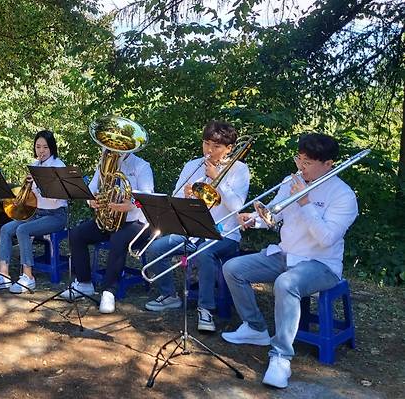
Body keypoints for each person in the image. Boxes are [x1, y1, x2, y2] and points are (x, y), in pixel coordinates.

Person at [221, 133, 358, 388]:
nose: (300, 167)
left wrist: (305, 202)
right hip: (285, 254)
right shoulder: (290, 181)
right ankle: (255, 327)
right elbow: (274, 214)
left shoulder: (344, 196)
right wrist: (255, 219)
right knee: (233, 268)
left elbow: (326, 238)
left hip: (321, 264)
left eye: (308, 163)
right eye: (299, 159)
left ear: (328, 164)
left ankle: (281, 356)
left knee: (285, 284)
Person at [143, 121, 250, 333]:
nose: (209, 150)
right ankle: (170, 295)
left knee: (205, 254)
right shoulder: (192, 165)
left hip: (224, 234)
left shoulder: (240, 169)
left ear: (229, 148)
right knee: (155, 249)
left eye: (216, 146)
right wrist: (186, 195)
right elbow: (174, 197)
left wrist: (216, 180)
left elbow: (238, 206)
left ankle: (206, 309)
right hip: (192, 231)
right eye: (206, 144)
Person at [60, 148, 154, 314]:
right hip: (110, 218)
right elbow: (90, 190)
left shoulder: (142, 166)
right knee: (76, 234)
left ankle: (109, 291)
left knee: (118, 239)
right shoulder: (104, 164)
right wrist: (92, 201)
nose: (112, 149)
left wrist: (131, 204)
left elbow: (148, 198)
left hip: (136, 222)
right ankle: (84, 283)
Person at [0, 130, 68, 293]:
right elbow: (30, 197)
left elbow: (57, 198)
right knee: (6, 229)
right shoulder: (35, 165)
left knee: (22, 229)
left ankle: (28, 276)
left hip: (56, 215)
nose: (41, 151)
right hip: (37, 213)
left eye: (45, 147)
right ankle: (4, 275)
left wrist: (41, 183)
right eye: (38, 147)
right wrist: (26, 186)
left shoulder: (58, 166)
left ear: (52, 148)